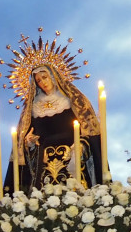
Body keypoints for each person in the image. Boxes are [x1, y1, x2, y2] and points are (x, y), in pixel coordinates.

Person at [7, 63, 103, 192]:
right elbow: (26, 142)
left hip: (71, 158)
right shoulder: (33, 109)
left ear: (53, 76)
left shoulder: (73, 101)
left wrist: (81, 145)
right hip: (45, 166)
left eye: (44, 77)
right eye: (38, 80)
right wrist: (29, 142)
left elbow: (89, 132)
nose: (42, 82)